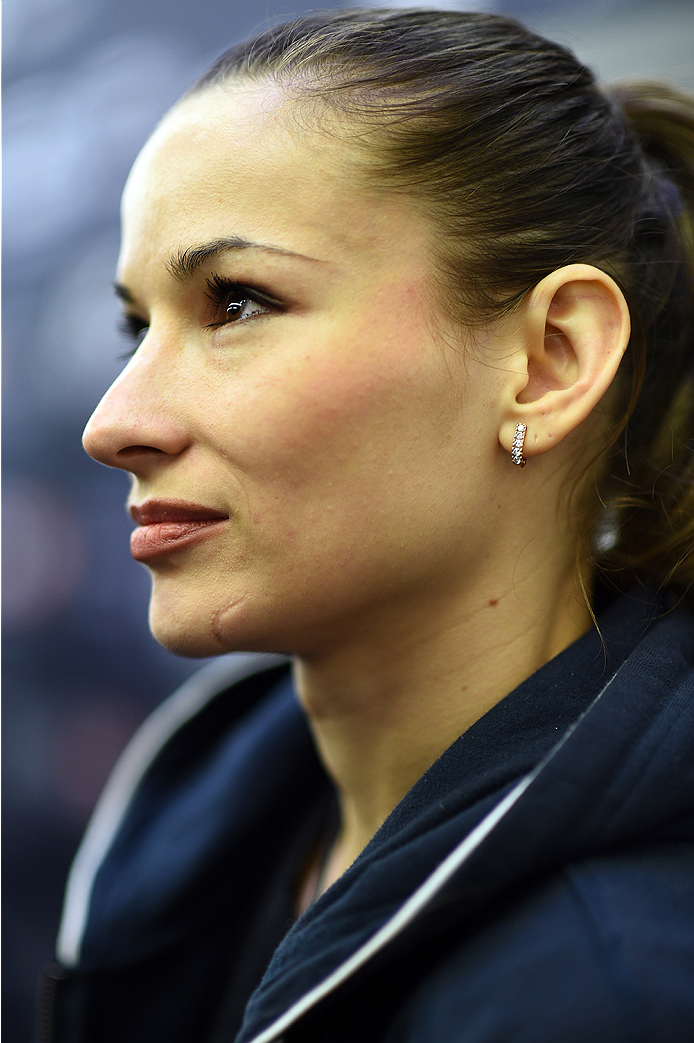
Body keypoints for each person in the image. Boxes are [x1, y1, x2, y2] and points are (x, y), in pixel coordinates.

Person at [42, 9, 693, 1043]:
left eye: (238, 303)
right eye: (136, 324)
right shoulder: (194, 848)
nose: (113, 423)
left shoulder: (614, 989)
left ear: (548, 362)